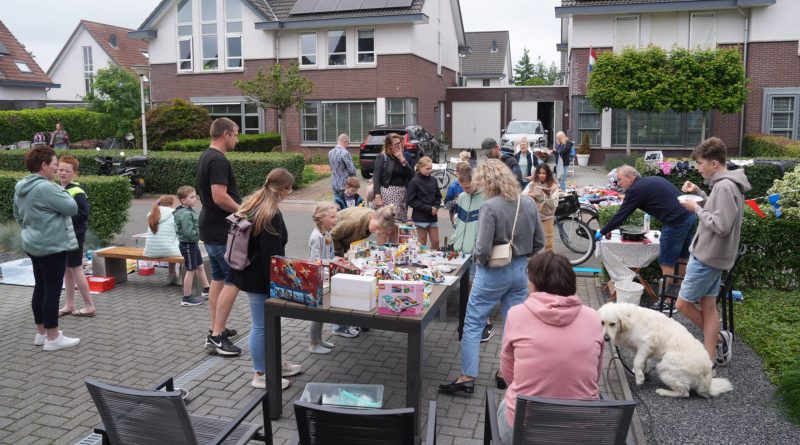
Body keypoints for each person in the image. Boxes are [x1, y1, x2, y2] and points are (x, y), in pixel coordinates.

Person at [439, 159, 545, 395]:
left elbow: (483, 248)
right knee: (513, 324)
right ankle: (505, 373)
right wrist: (521, 257)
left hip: (492, 272)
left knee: (473, 323)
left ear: (486, 181)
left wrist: (481, 262)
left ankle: (467, 377)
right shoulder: (527, 202)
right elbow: (540, 242)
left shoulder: (490, 206)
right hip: (519, 271)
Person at [498, 252, 604, 444]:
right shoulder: (594, 318)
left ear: (536, 284)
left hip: (525, 430)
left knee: (505, 405)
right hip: (580, 434)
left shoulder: (517, 315)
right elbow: (594, 376)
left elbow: (508, 375)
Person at [676, 137, 751, 367]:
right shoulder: (725, 184)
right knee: (708, 307)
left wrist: (695, 207)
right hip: (713, 256)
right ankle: (708, 359)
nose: (698, 168)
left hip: (708, 256)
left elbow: (721, 225)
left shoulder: (726, 186)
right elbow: (719, 211)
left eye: (700, 163)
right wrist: (699, 192)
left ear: (714, 163)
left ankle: (719, 337)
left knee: (682, 304)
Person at [227, 168, 302, 390]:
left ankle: (274, 364)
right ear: (284, 189)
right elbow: (273, 257)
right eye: (290, 188)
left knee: (268, 324)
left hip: (249, 273)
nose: (291, 192)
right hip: (261, 279)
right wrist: (281, 284)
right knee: (261, 326)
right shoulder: (271, 214)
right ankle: (260, 373)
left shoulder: (253, 203)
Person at [596, 165, 698, 310]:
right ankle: (682, 298)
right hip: (689, 216)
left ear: (630, 178)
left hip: (675, 222)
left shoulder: (635, 190)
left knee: (667, 262)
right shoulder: (650, 180)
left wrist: (603, 231)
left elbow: (621, 215)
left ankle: (668, 302)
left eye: (619, 179)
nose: (618, 183)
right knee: (682, 258)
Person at [13, 145, 80, 351]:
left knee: (41, 287)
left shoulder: (21, 185)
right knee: (51, 290)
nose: (56, 169)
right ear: (43, 165)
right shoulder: (46, 187)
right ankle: (53, 337)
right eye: (54, 164)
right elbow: (72, 207)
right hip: (52, 245)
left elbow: (18, 215)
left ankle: (41, 333)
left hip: (32, 244)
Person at [197, 118, 243, 356]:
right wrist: (242, 211)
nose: (237, 139)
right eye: (235, 134)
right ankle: (216, 337)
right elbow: (219, 196)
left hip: (209, 226)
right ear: (225, 134)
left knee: (217, 278)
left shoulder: (206, 155)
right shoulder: (218, 160)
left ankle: (216, 328)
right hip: (220, 230)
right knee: (233, 281)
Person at [448, 163, 494, 343]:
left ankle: (485, 324)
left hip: (478, 251)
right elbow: (459, 223)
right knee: (468, 288)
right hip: (462, 250)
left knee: (479, 289)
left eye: (468, 186)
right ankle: (472, 322)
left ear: (475, 180)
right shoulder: (462, 197)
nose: (465, 189)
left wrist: (482, 247)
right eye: (462, 187)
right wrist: (454, 241)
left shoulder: (487, 198)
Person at [56, 156, 96, 317]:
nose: (63, 173)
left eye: (67, 170)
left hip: (74, 236)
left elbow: (83, 215)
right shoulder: (57, 188)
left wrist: (61, 221)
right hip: (63, 235)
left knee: (76, 268)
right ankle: (69, 304)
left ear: (75, 173)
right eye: (60, 169)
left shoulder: (77, 191)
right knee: (67, 269)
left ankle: (89, 306)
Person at [308, 203, 341, 351]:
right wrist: (331, 263)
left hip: (325, 277)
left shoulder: (326, 234)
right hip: (318, 279)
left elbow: (329, 254)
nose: (336, 220)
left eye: (336, 217)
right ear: (321, 219)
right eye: (332, 217)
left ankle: (319, 340)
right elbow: (314, 261)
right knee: (317, 312)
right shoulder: (317, 237)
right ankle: (314, 344)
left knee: (321, 311)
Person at [372, 133, 414, 244]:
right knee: (385, 227)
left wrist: (402, 159)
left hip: (400, 195)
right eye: (395, 144)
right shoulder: (383, 156)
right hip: (387, 193)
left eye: (399, 143)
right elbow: (376, 176)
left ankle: (392, 253)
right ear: (389, 145)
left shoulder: (403, 157)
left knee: (397, 227)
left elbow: (411, 176)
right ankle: (380, 251)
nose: (398, 146)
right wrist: (377, 196)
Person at [173, 186, 210, 307]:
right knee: (190, 270)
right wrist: (200, 236)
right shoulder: (186, 214)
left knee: (200, 266)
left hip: (192, 244)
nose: (196, 199)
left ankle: (206, 290)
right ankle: (186, 297)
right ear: (183, 200)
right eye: (192, 197)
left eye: (195, 196)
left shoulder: (186, 211)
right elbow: (189, 233)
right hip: (188, 245)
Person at [331, 206, 398, 257]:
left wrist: (384, 233)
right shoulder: (352, 223)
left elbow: (381, 241)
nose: (377, 232)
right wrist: (339, 254)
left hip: (343, 238)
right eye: (377, 227)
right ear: (373, 217)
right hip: (328, 239)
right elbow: (332, 236)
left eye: (381, 230)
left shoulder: (377, 218)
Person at [144, 195, 182, 285]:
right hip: (169, 250)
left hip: (151, 250)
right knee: (181, 246)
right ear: (171, 204)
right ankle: (181, 275)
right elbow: (180, 232)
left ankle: (171, 274)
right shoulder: (175, 213)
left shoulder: (152, 213)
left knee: (169, 245)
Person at [407, 156, 442, 249]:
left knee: (436, 242)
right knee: (422, 243)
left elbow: (438, 196)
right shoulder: (414, 182)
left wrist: (436, 207)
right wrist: (428, 208)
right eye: (427, 169)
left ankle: (433, 261)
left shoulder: (433, 180)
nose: (429, 171)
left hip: (432, 216)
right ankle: (422, 262)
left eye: (431, 169)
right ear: (420, 167)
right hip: (420, 217)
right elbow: (410, 201)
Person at [528, 164, 560, 253]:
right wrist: (528, 195)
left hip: (547, 216)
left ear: (548, 174)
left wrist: (548, 195)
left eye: (544, 173)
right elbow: (523, 196)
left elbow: (553, 205)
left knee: (549, 241)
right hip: (534, 216)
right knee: (531, 239)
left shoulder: (554, 186)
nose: (541, 175)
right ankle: (532, 260)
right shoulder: (532, 184)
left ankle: (549, 261)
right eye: (540, 173)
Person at [328, 133, 357, 200]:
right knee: (345, 206)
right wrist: (354, 180)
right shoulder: (345, 153)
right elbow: (352, 170)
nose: (348, 145)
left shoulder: (330, 152)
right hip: (345, 185)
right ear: (345, 141)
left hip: (334, 183)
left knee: (337, 204)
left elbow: (331, 167)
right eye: (348, 143)